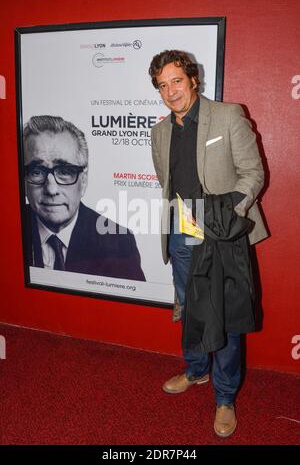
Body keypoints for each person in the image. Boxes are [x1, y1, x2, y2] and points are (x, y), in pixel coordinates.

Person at [149, 50, 267, 437]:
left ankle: (225, 397)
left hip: (223, 235)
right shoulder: (159, 131)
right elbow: (167, 182)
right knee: (190, 308)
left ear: (194, 80)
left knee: (227, 316)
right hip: (183, 233)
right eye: (163, 85)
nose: (171, 91)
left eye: (177, 81)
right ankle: (197, 370)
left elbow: (253, 173)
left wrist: (225, 211)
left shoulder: (228, 115)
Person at [23, 115, 145, 281]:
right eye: (37, 172)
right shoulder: (8, 230)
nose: (51, 189)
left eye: (65, 172)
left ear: (84, 179)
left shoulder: (118, 242)